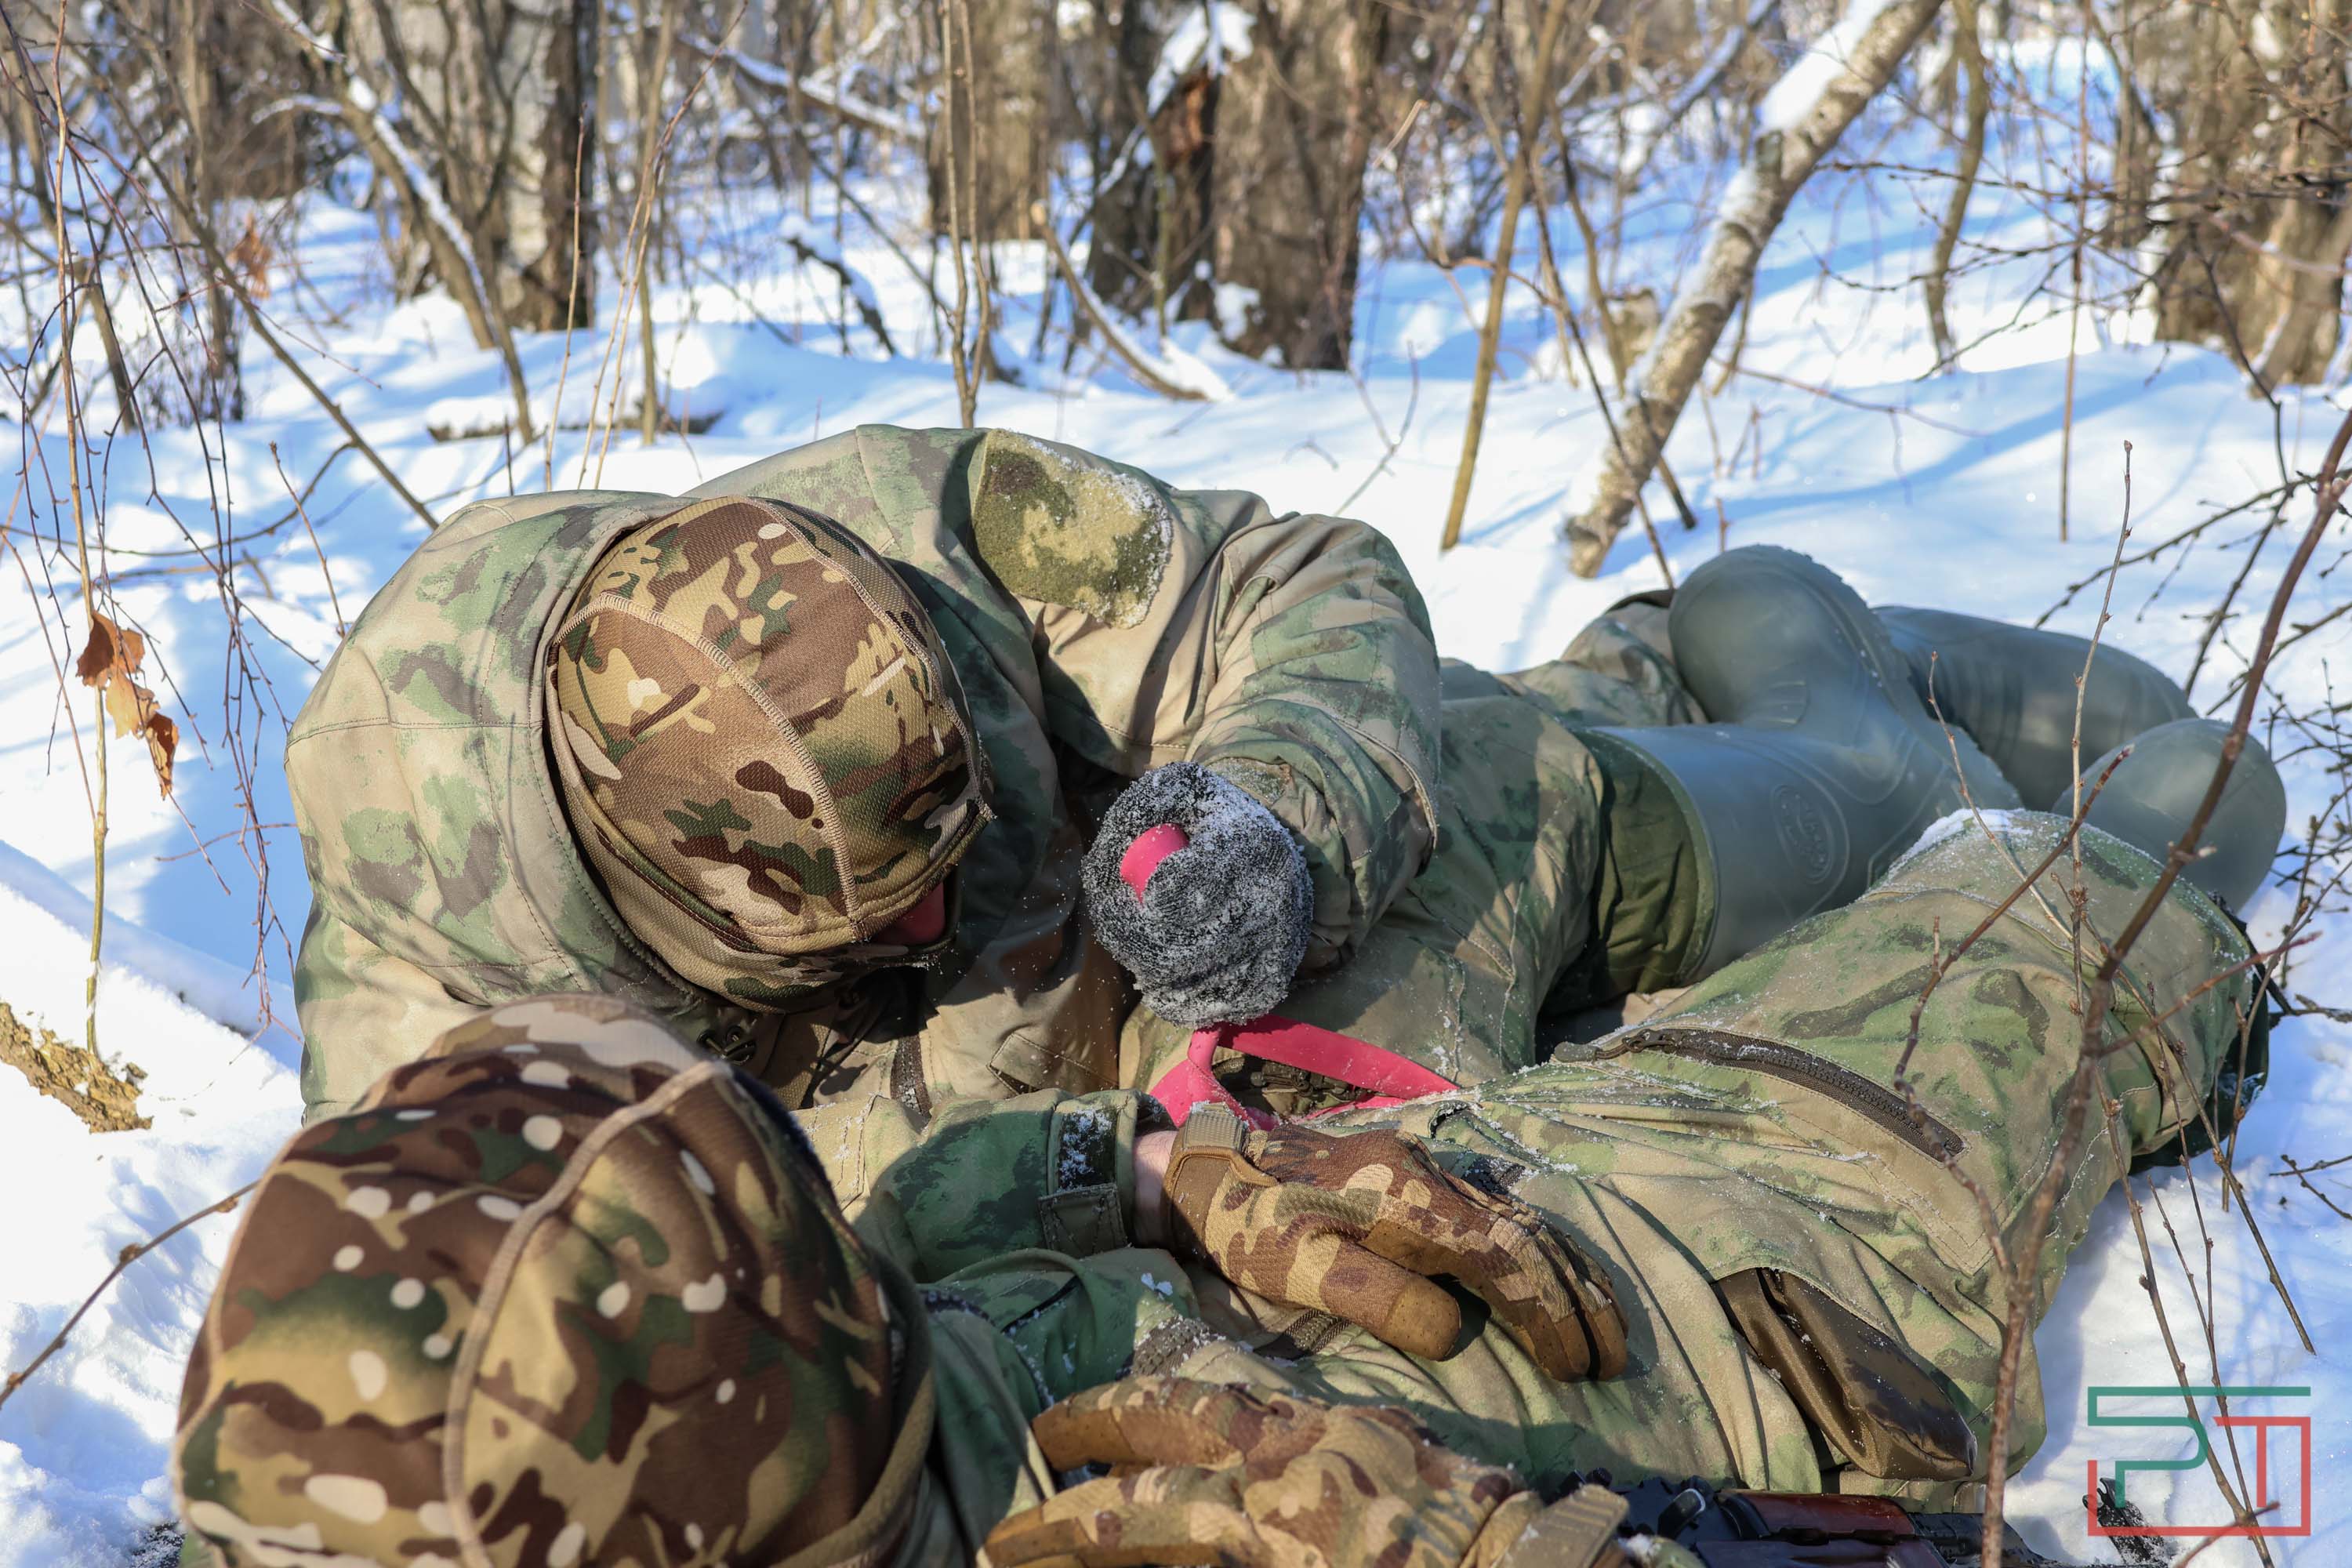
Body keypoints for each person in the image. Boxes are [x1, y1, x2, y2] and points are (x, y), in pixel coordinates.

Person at [176, 721, 2281, 1566]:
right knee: (2136, 854)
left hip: (1459, 1150)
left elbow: (916, 1234)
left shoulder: (402, 1487)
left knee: (1624, 748)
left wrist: (1146, 1172)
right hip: (1795, 1220)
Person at [286, 424, 2259, 1131]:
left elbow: (1292, 585)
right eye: (881, 913)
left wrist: (1271, 821)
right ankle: (1693, 650)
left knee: (1446, 844)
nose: (938, 914)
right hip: (941, 1125)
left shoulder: (893, 534)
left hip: (1187, 902)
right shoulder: (438, 1004)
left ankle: (1858, 753)